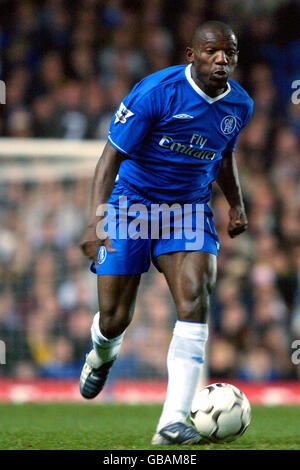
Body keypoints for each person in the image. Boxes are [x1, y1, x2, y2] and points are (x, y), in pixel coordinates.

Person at [79, 20, 253, 446]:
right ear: (190, 54)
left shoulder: (240, 105)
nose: (222, 60)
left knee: (195, 298)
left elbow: (223, 155)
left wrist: (236, 203)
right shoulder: (155, 92)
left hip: (188, 209)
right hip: (131, 205)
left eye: (228, 52)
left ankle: (171, 424)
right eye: (212, 51)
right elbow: (110, 158)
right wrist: (95, 221)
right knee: (115, 317)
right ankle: (102, 353)